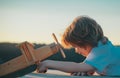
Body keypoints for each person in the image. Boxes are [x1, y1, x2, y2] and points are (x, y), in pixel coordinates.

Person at [36, 15, 120, 76]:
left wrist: (47, 63)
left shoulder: (102, 50)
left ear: (85, 41)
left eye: (76, 46)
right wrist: (84, 70)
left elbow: (79, 66)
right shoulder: (102, 48)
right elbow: (84, 67)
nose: (76, 51)